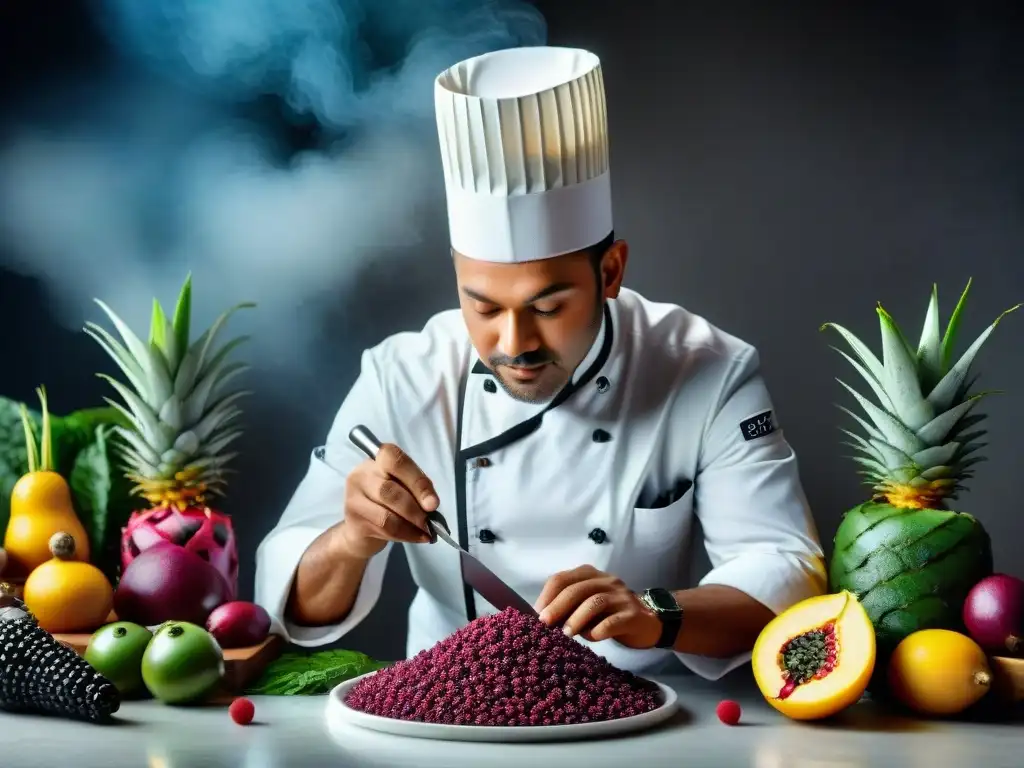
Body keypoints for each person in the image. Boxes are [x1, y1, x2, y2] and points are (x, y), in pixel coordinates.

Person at [254, 45, 826, 680]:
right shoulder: (402, 376)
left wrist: (656, 612)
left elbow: (786, 572)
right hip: (440, 714)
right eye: (483, 307)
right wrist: (352, 539)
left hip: (639, 709)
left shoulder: (709, 371)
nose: (513, 342)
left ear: (610, 272)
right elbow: (288, 601)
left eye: (548, 307)